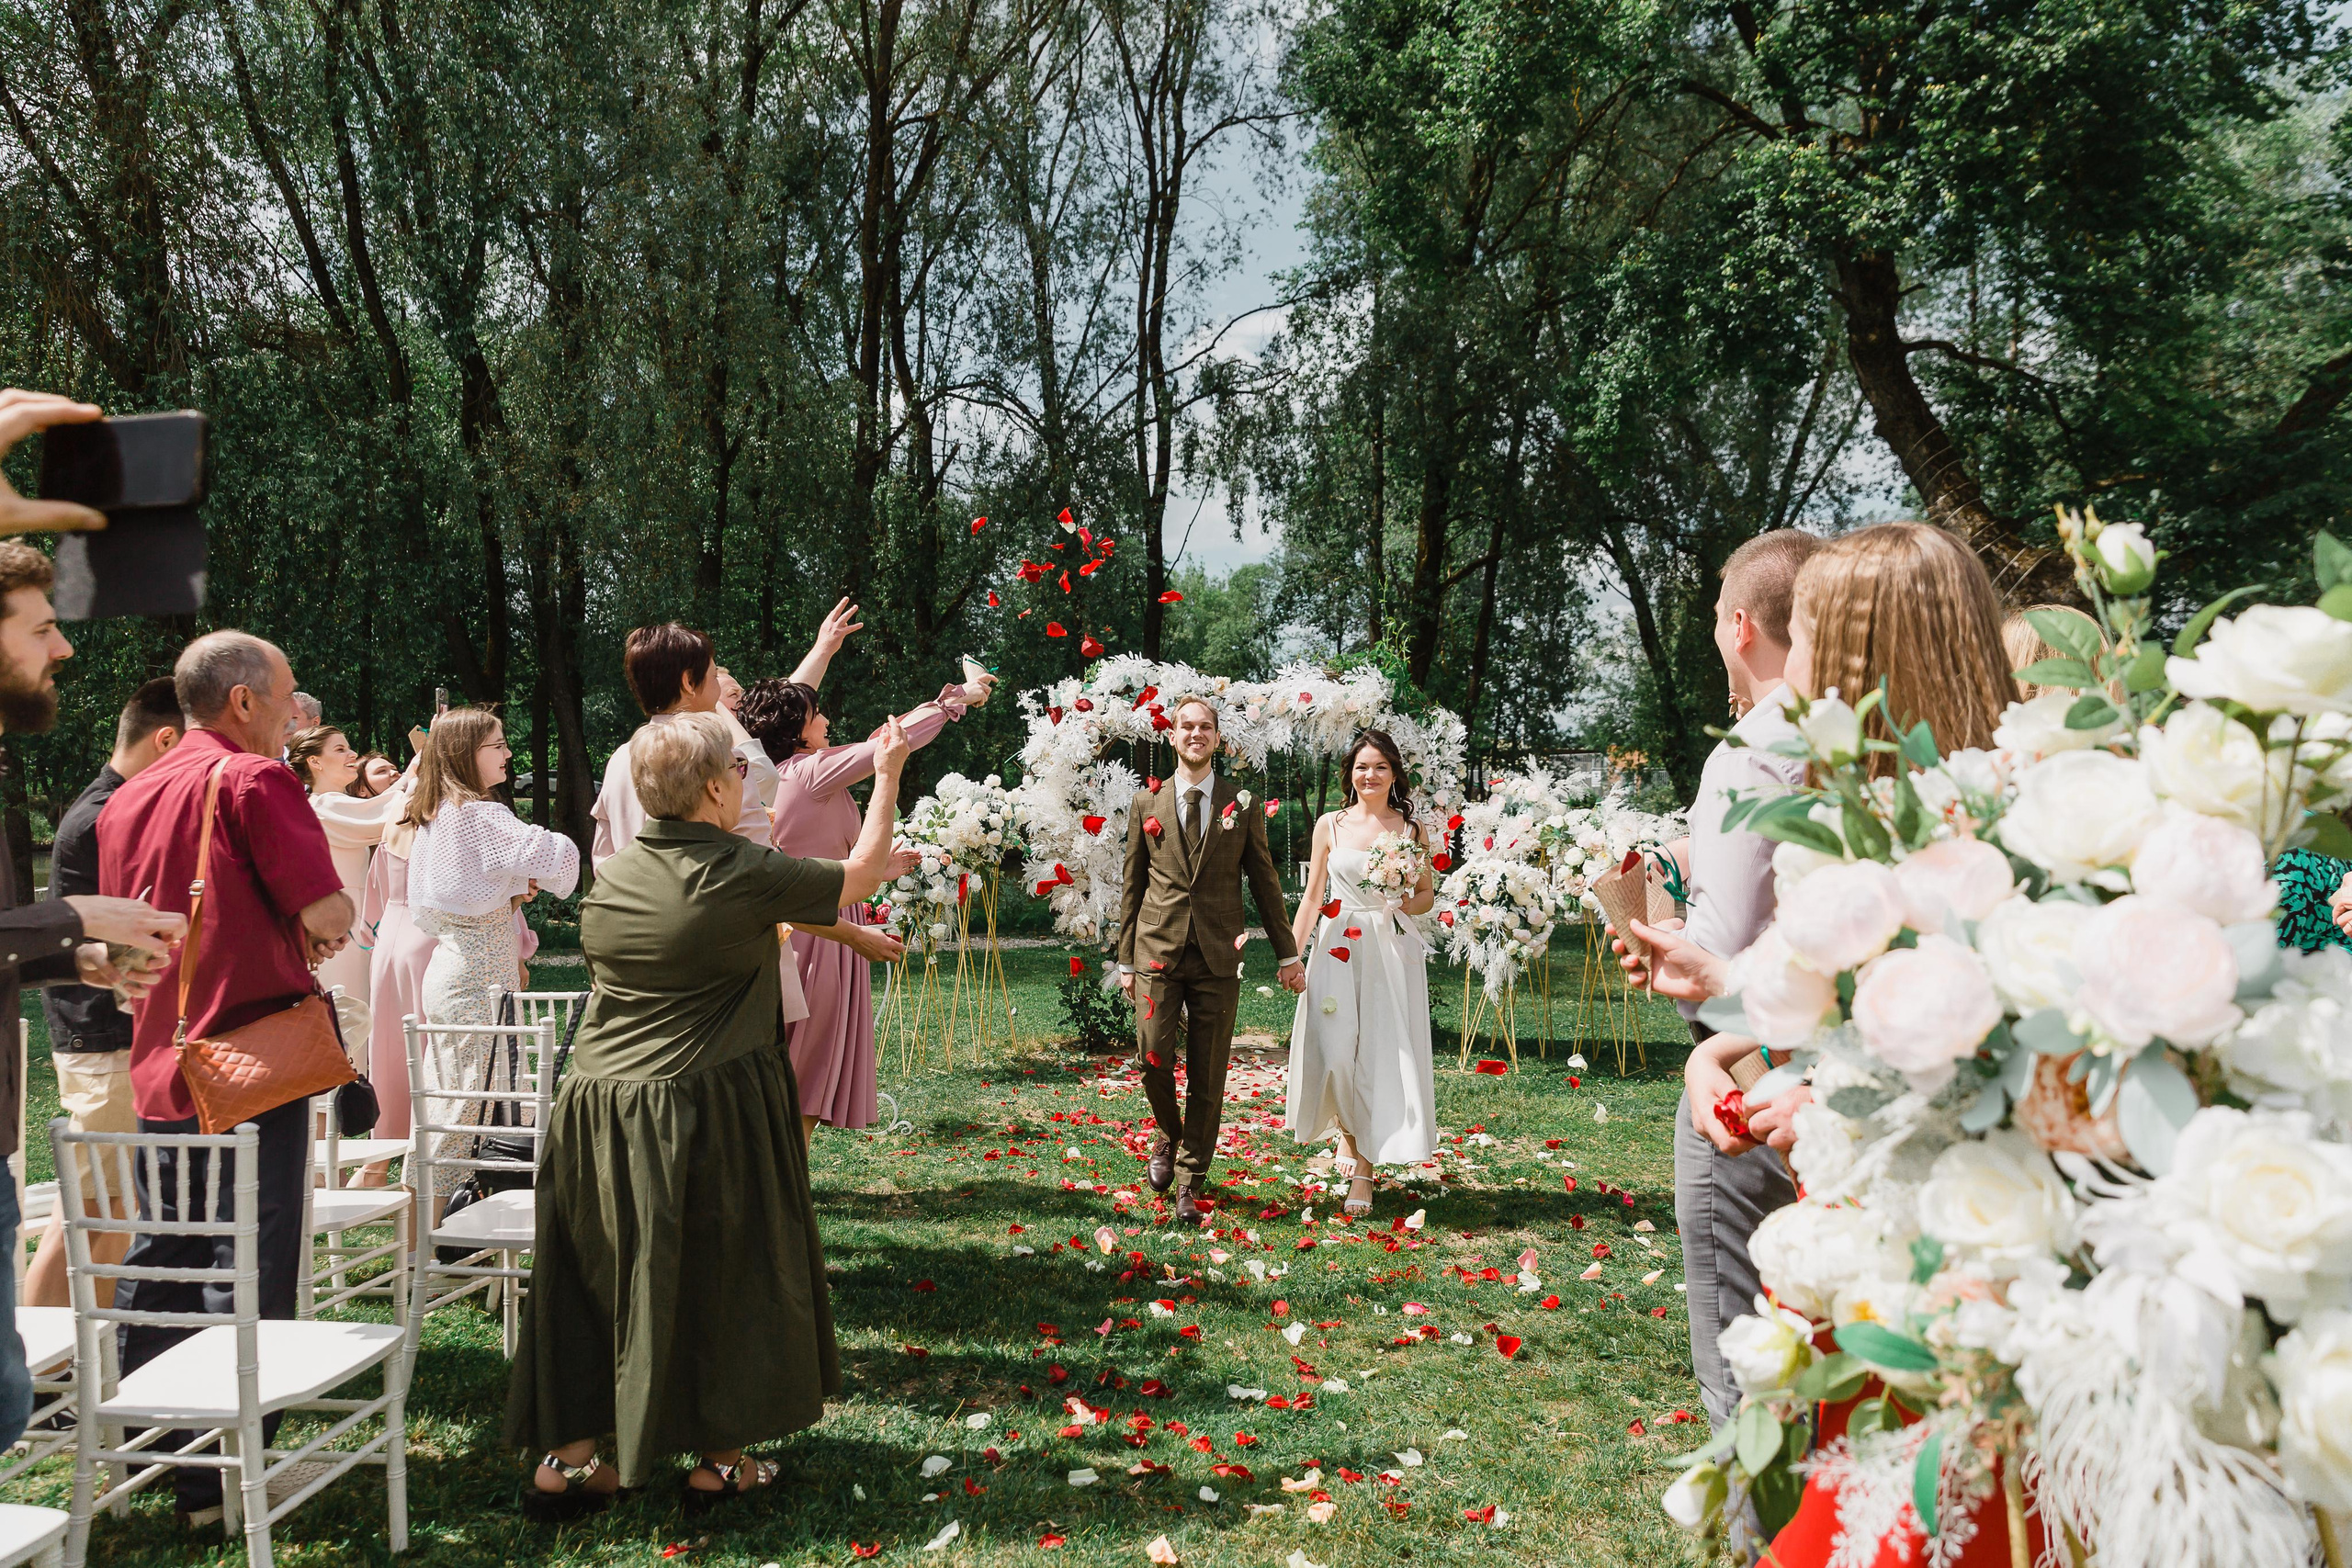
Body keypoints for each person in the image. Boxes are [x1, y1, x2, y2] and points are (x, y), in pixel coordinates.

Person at [1612, 523, 2017, 1427]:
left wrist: (1804, 1082)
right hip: (1889, 1199)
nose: (1793, 663)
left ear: (1863, 652)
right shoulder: (1919, 799)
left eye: (1818, 633)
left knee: (1785, 1415)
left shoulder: (1988, 824)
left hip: (1932, 1227)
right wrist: (1732, 1015)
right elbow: (1856, 980)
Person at [504, 712, 911, 1516]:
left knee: (595, 1276)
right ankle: (719, 1463)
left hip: (593, 1106)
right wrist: (889, 772)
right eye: (736, 770)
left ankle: (569, 1460)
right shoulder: (740, 869)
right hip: (703, 1100)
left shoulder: (613, 873)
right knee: (724, 1270)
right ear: (716, 788)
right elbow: (861, 876)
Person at [96, 629, 350, 1527]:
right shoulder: (253, 779)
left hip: (160, 1060)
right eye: (286, 698)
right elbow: (328, 911)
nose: (293, 714)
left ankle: (146, 1457)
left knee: (160, 1254)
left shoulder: (129, 798)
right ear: (243, 701)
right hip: (247, 1061)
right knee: (244, 1266)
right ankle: (222, 1477)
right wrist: (321, 918)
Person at [1634, 529, 1818, 1433]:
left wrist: (1657, 933)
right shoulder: (1851, 738)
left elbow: (1723, 949)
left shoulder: (1751, 748)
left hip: (1740, 1081)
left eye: (1714, 616)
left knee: (1744, 1373)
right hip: (1834, 1084)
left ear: (1740, 626)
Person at [743, 662, 993, 1138]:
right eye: (817, 714)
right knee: (808, 1064)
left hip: (819, 918)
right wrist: (956, 698)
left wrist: (881, 869)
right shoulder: (809, 771)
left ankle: (783, 1177)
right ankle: (785, 1181)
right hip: (821, 934)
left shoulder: (788, 774)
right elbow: (889, 742)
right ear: (797, 730)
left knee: (804, 1062)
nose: (827, 720)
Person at [25, 677, 186, 1310]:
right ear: (166, 738)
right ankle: (48, 1377)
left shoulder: (107, 806)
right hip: (99, 1036)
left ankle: (68, 1369)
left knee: (111, 1207)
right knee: (93, 1214)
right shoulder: (103, 817)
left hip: (108, 1033)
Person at [1117, 697, 1306, 1225]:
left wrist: (1288, 951)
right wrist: (1126, 959)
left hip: (1220, 955)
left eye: (1206, 727)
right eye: (1186, 726)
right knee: (1151, 1060)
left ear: (1218, 739)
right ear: (1172, 737)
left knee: (1208, 1072)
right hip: (1157, 951)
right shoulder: (1144, 804)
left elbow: (1266, 882)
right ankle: (1170, 1134)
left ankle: (1189, 1176)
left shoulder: (1240, 803)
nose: (1196, 734)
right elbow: (1133, 885)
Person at [1284, 728, 1437, 1217]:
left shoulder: (1411, 831)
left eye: (1380, 767)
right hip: (1336, 945)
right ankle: (1349, 1136)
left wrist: (1397, 893)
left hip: (1389, 949)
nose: (1369, 775)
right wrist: (1292, 953)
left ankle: (1366, 1168)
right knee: (1334, 1051)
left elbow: (1425, 897)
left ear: (1394, 775)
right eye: (1361, 767)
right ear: (1350, 774)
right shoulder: (1330, 824)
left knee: (1377, 1053)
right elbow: (1312, 898)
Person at [589, 602, 860, 864]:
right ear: (688, 682)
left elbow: (604, 859)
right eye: (712, 676)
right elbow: (757, 852)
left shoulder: (619, 760)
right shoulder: (721, 760)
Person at [404, 709, 578, 1030]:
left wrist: (514, 889)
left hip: (455, 972)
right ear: (466, 754)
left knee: (454, 1077)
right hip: (481, 983)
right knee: (483, 1079)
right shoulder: (478, 815)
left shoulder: (440, 811)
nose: (508, 753)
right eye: (498, 746)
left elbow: (467, 901)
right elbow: (559, 855)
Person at [292, 724, 411, 1015]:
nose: (352, 754)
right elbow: (384, 815)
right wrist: (417, 773)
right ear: (315, 762)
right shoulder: (323, 805)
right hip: (339, 925)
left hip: (353, 918)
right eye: (340, 749)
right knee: (348, 1010)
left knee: (356, 1010)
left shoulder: (333, 804)